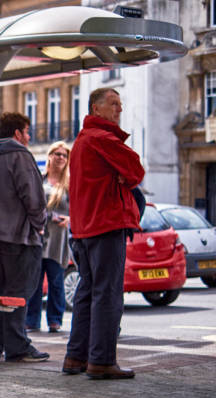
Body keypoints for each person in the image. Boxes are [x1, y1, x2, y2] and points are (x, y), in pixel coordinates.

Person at [64, 88, 144, 380]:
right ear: (95, 108)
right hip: (106, 223)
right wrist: (122, 175)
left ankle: (76, 357)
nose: (119, 109)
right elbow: (136, 169)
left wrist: (122, 175)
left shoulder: (83, 140)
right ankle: (101, 360)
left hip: (84, 228)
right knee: (107, 294)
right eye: (113, 104)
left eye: (120, 104)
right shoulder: (102, 138)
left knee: (88, 291)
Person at [0, 112, 49, 363]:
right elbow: (34, 197)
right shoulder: (20, 155)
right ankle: (17, 346)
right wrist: (40, 226)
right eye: (27, 132)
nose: (28, 137)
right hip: (20, 237)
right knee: (18, 292)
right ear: (17, 133)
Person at [25, 141, 71, 333]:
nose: (60, 158)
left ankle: (54, 320)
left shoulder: (69, 185)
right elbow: (32, 205)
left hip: (58, 241)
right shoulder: (40, 179)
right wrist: (50, 217)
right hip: (38, 236)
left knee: (56, 281)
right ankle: (32, 320)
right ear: (50, 156)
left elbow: (77, 210)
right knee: (34, 282)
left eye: (64, 155)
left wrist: (70, 219)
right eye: (57, 154)